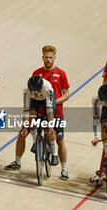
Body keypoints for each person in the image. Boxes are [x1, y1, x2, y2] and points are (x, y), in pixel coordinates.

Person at [5, 76, 59, 170]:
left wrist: (51, 127)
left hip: (46, 100)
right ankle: (34, 143)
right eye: (32, 92)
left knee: (49, 128)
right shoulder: (26, 90)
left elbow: (50, 110)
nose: (34, 94)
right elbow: (26, 110)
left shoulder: (48, 88)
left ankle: (54, 154)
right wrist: (25, 127)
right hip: (34, 102)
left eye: (35, 92)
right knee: (30, 119)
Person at [32, 45, 70, 180]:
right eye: (46, 57)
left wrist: (53, 102)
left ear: (55, 58)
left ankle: (64, 169)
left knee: (60, 140)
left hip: (57, 112)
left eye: (51, 57)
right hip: (41, 111)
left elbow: (67, 95)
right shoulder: (36, 73)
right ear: (42, 57)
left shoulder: (61, 73)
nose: (48, 60)